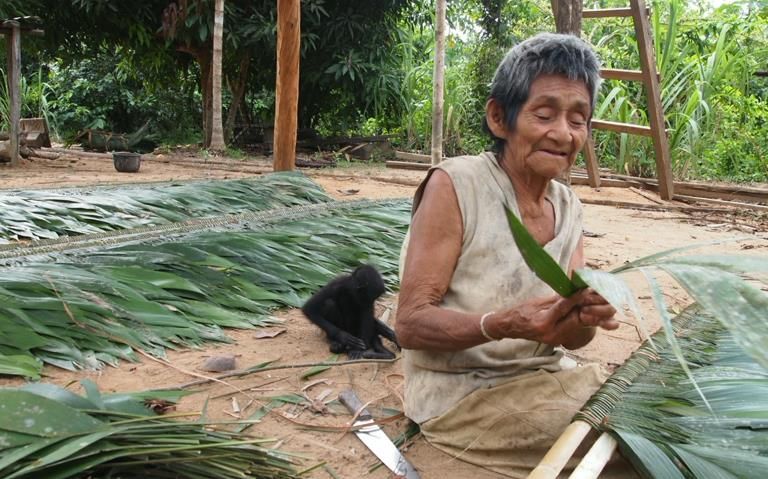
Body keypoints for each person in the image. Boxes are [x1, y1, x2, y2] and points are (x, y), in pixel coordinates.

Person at [395, 33, 627, 478]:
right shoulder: (457, 185)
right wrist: (503, 323)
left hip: (547, 378)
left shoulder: (568, 206)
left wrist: (583, 318)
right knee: (636, 441)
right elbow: (409, 324)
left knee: (653, 408)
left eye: (578, 119)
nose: (563, 133)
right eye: (544, 114)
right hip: (464, 398)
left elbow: (571, 340)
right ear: (500, 118)